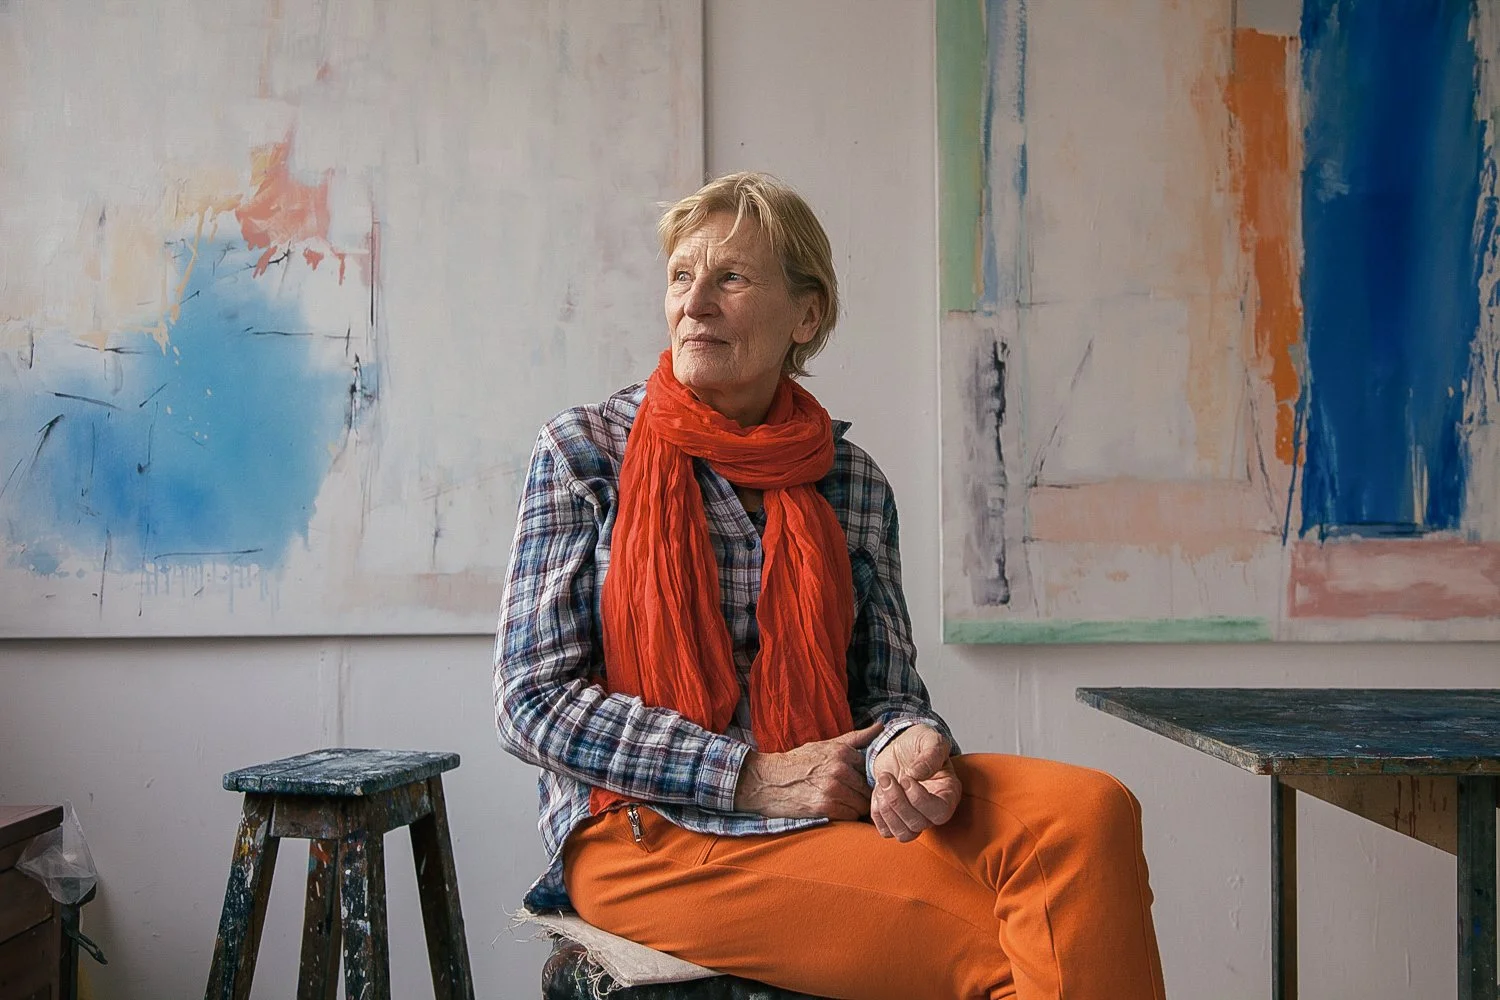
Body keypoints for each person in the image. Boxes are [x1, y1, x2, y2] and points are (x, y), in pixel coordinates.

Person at [494, 172, 1166, 1000]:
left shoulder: (849, 480)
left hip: (822, 809)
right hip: (647, 834)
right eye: (680, 275)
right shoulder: (585, 451)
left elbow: (888, 697)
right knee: (1030, 948)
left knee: (1094, 811)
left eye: (730, 278)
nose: (694, 302)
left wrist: (907, 748)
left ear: (806, 317)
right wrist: (752, 775)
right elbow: (531, 701)